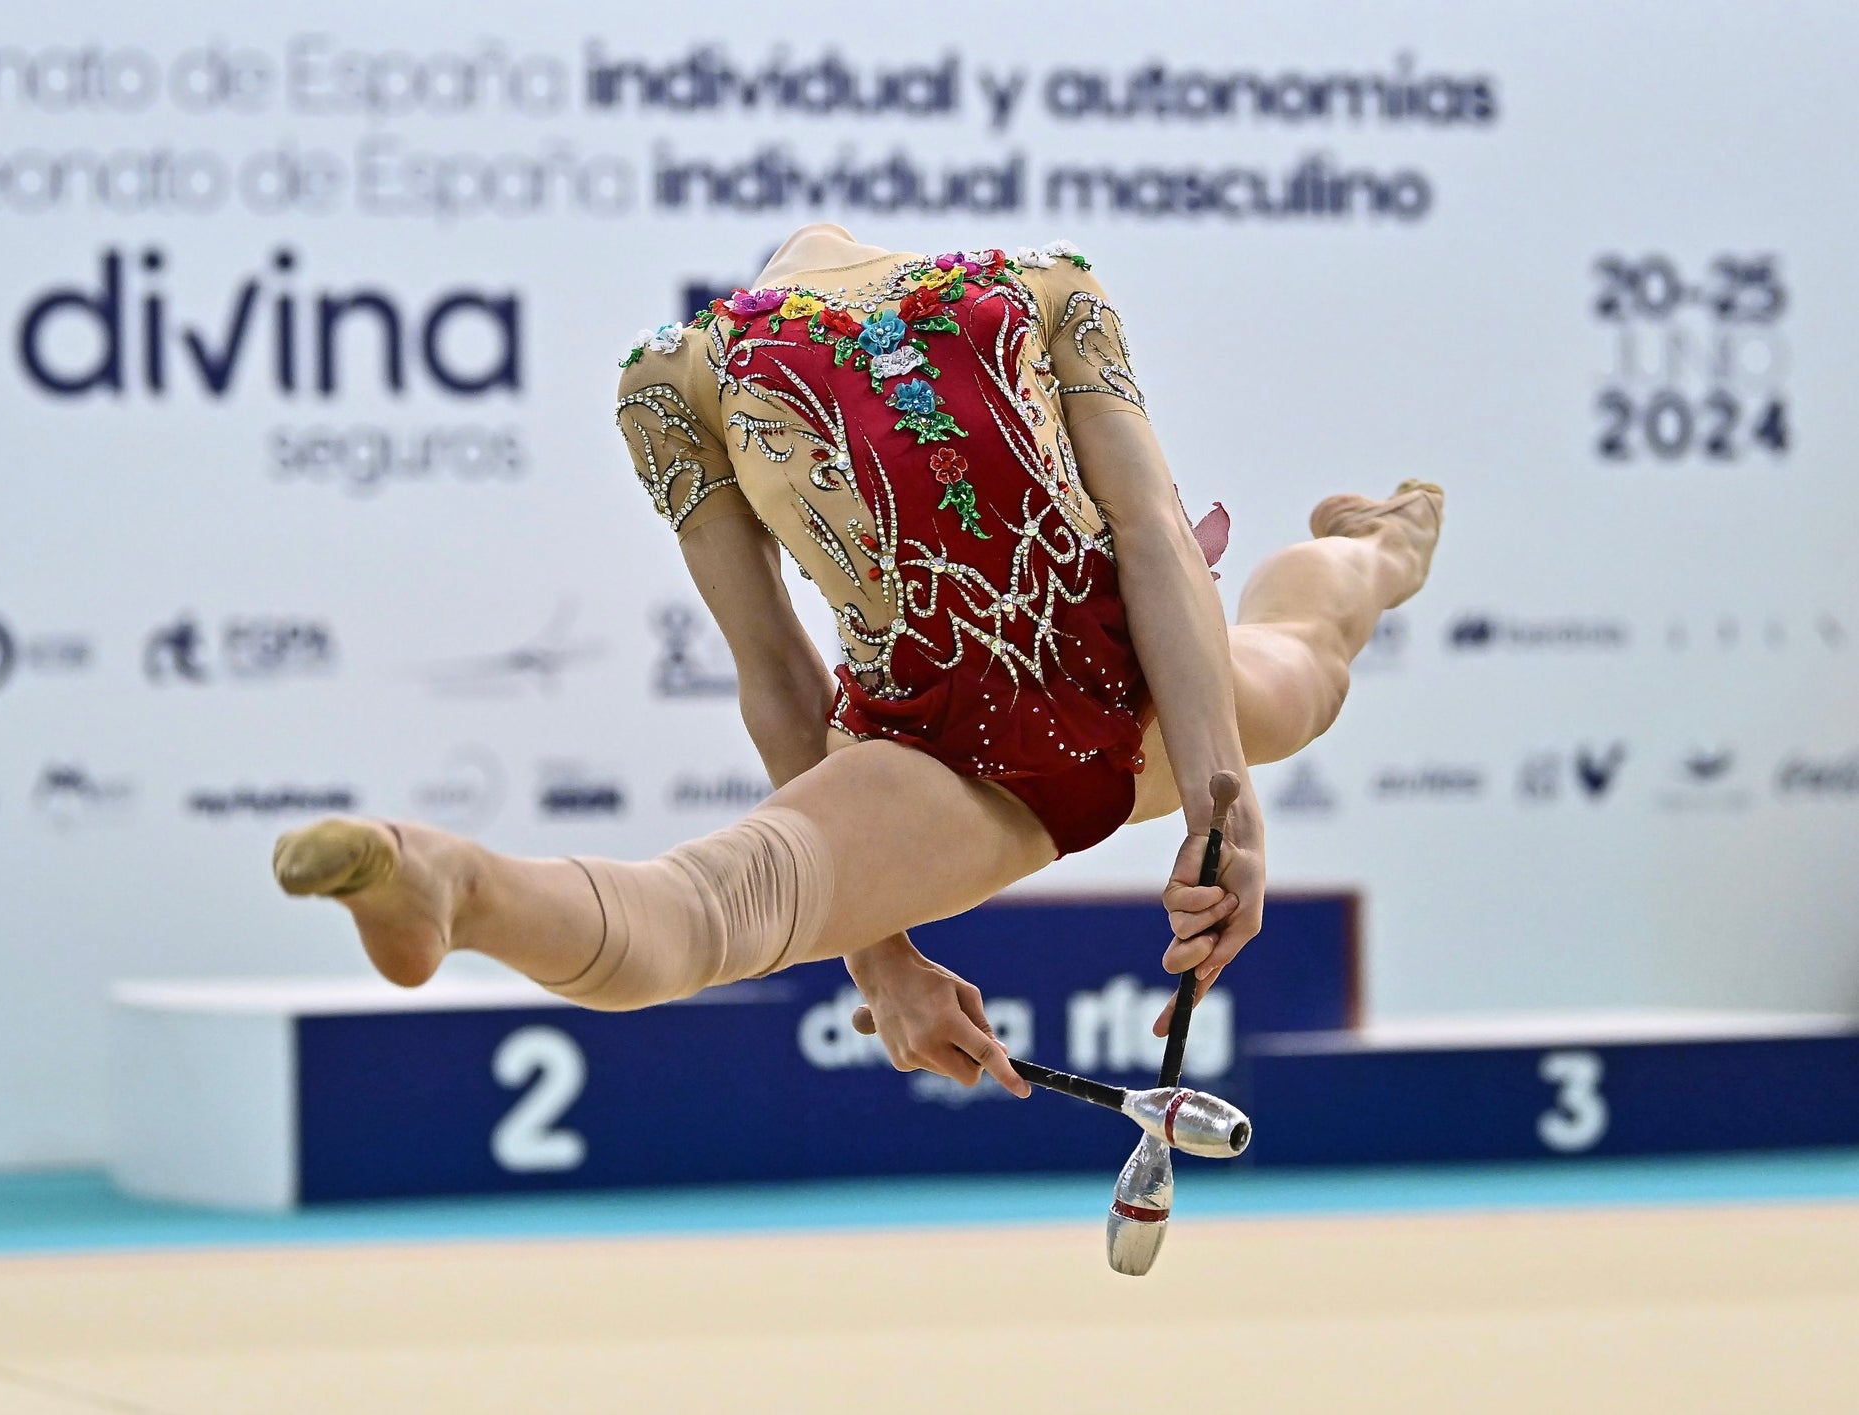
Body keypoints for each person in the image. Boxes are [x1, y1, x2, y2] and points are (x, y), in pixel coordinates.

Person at [272, 223, 1442, 1099]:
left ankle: (450, 878)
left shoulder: (672, 379)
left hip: (941, 755)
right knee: (1304, 657)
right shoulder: (1037, 282)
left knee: (701, 909)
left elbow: (777, 674)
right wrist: (1215, 800)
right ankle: (1378, 549)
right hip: (1117, 683)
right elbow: (1146, 537)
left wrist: (877, 963)